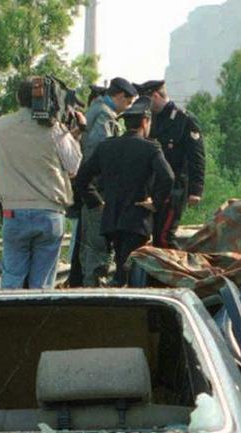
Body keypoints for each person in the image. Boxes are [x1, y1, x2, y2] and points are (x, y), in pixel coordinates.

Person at [0, 77, 83, 289]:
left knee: (12, 279)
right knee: (42, 283)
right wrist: (74, 133)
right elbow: (73, 166)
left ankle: (9, 318)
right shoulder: (55, 129)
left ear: (18, 98)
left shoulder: (1, 125)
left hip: (12, 211)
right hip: (49, 213)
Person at [73, 97, 173, 286]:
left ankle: (116, 288)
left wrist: (96, 201)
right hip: (137, 218)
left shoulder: (106, 147)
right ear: (145, 121)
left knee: (120, 263)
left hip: (111, 219)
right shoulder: (150, 148)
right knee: (132, 270)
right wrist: (156, 203)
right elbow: (168, 177)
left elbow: (82, 178)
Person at [76, 77, 138, 285]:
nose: (126, 109)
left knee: (90, 248)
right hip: (98, 191)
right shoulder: (104, 114)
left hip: (90, 189)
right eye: (127, 103)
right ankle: (94, 293)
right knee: (99, 248)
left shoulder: (96, 109)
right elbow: (100, 151)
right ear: (120, 96)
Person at [140, 79, 205, 248]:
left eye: (147, 100)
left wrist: (195, 190)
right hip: (152, 187)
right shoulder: (148, 120)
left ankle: (179, 272)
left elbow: (196, 157)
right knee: (149, 236)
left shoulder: (184, 119)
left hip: (174, 187)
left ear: (155, 96)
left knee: (164, 237)